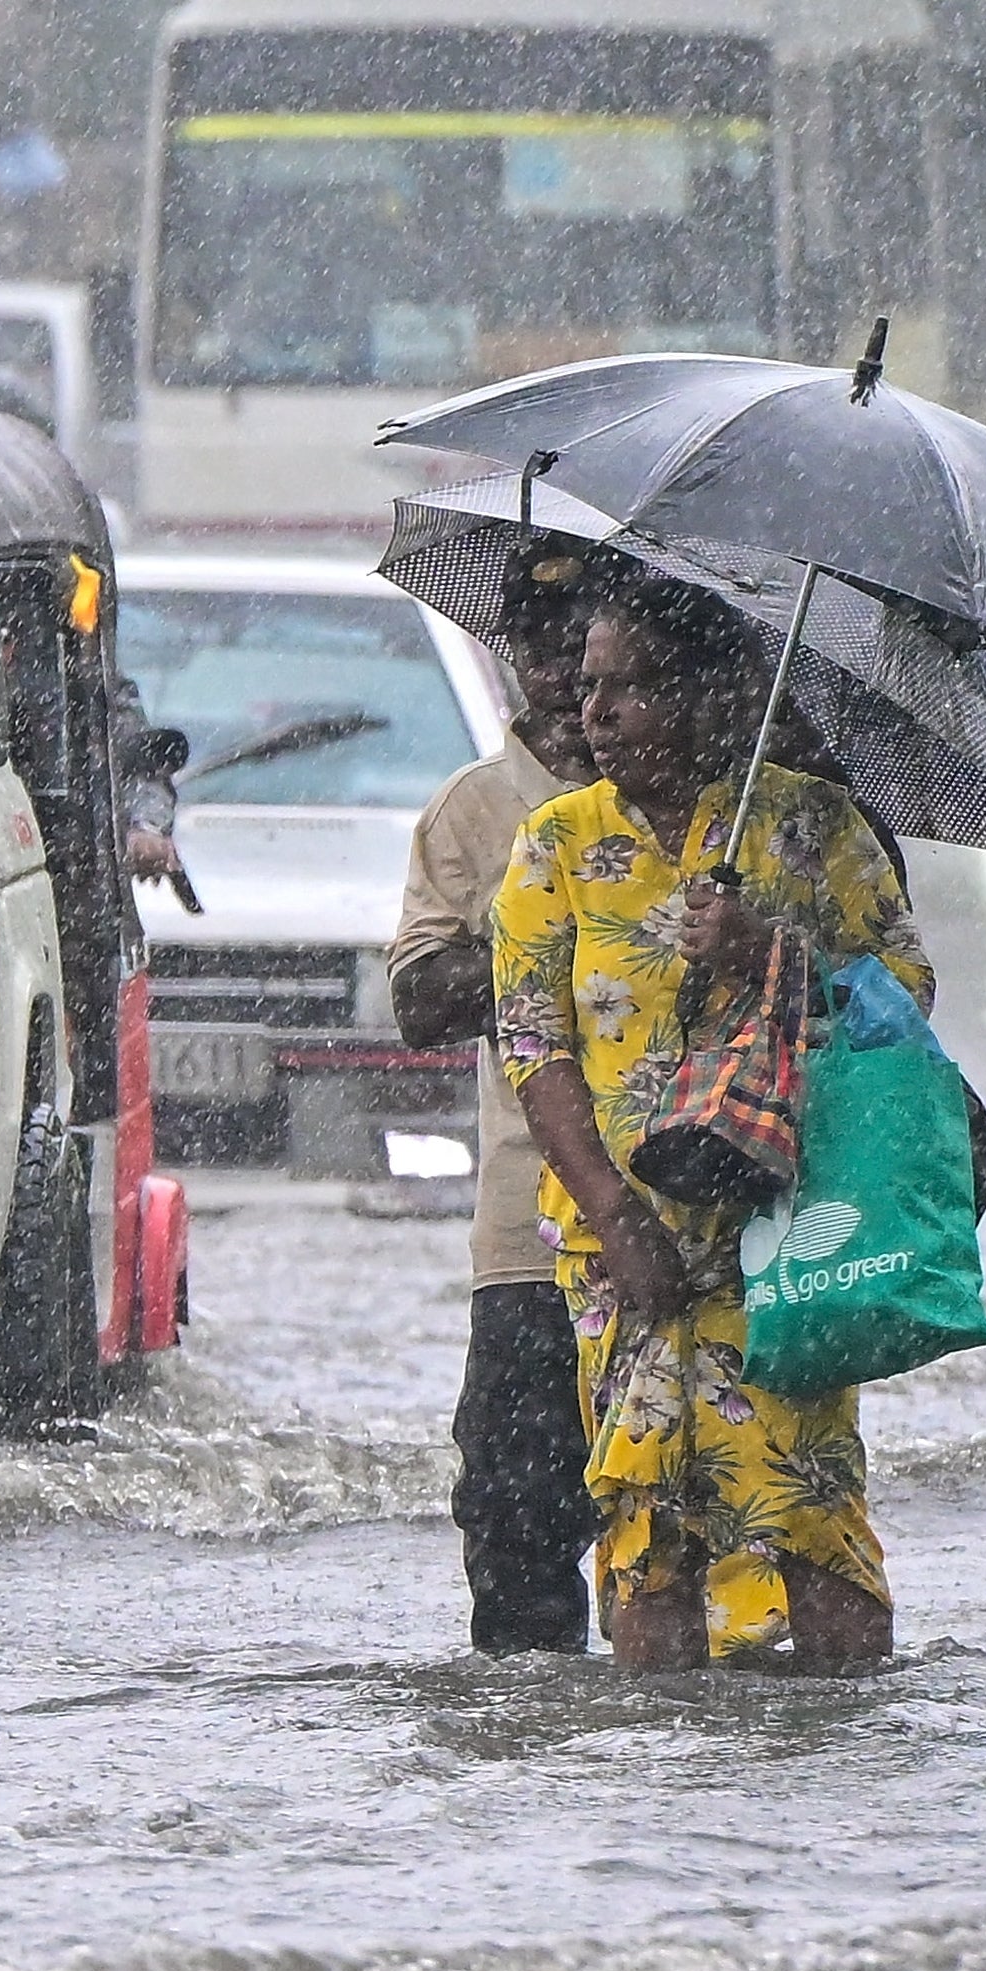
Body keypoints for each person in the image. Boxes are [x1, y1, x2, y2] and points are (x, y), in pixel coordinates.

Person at [488, 578, 935, 1675]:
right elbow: (531, 1046)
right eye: (587, 688)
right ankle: (664, 1779)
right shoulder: (552, 845)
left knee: (809, 1508)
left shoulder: (810, 827)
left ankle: (835, 1741)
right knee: (644, 1530)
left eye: (627, 689)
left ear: (701, 695)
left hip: (784, 1234)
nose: (594, 714)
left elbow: (906, 994)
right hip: (619, 1248)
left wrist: (768, 951)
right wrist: (614, 1215)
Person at [389, 539, 607, 1652]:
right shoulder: (475, 814)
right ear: (509, 652)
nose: (569, 668)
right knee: (518, 1522)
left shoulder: (712, 800)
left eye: (592, 640)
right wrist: (547, 923)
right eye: (543, 642)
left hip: (698, 1218)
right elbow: (419, 1003)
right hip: (531, 1232)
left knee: (693, 1523)